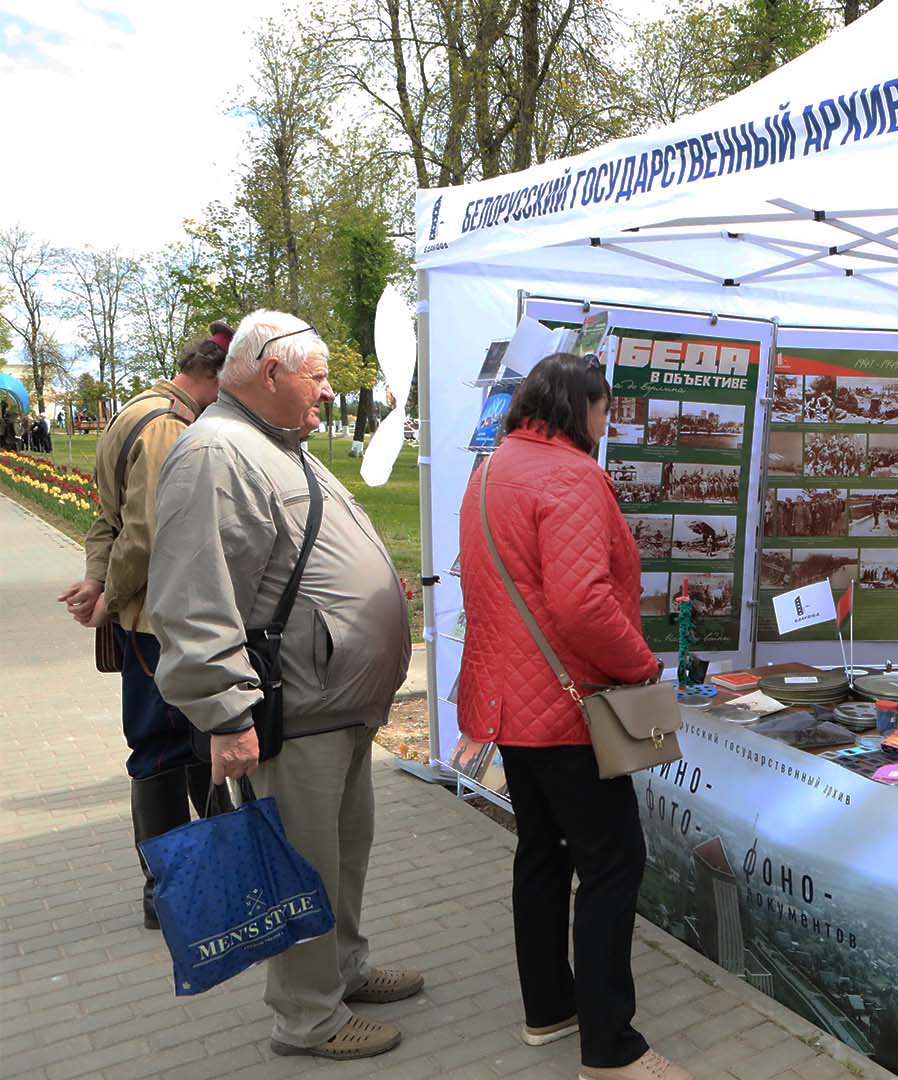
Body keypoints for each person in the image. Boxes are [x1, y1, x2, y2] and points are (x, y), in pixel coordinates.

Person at [146, 311, 415, 1061]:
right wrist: (227, 714)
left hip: (335, 704)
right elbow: (195, 598)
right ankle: (307, 1016)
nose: (329, 392)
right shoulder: (217, 452)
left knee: (343, 853)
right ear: (271, 372)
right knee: (304, 863)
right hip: (294, 710)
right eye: (318, 378)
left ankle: (343, 970)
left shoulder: (274, 442)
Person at [457, 354, 691, 1080]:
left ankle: (549, 1009)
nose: (606, 423)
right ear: (578, 407)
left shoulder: (491, 470)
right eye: (603, 409)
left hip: (507, 704)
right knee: (613, 865)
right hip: (568, 706)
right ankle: (610, 1048)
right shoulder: (572, 475)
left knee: (541, 853)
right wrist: (641, 667)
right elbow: (582, 602)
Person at [58, 323, 233, 929]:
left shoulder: (136, 408)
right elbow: (145, 532)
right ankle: (172, 895)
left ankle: (188, 887)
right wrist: (108, 594)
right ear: (214, 377)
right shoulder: (167, 427)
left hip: (149, 621)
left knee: (177, 750)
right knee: (166, 753)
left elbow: (105, 519)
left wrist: (96, 578)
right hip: (161, 624)